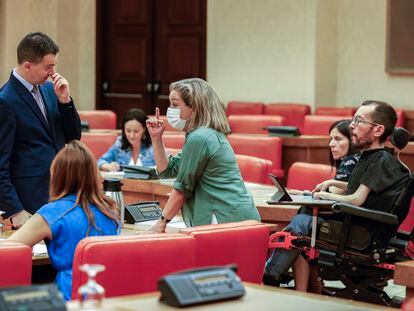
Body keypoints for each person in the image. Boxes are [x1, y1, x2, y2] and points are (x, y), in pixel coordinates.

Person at [264, 100, 410, 292]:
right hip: (358, 226)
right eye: (353, 119)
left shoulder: (380, 160)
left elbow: (356, 199)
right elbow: (356, 188)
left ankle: (271, 274)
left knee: (303, 220)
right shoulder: (372, 156)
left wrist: (324, 196)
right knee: (305, 216)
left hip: (361, 234)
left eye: (359, 120)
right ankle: (276, 272)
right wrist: (332, 184)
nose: (351, 125)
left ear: (378, 130)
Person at [7, 140, 120, 300]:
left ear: (57, 175)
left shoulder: (53, 212)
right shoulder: (110, 210)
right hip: (108, 294)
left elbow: (8, 249)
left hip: (70, 294)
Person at [146, 78, 260, 232]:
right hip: (235, 218)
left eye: (174, 104)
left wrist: (161, 223)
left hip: (225, 218)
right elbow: (167, 171)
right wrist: (156, 139)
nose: (170, 110)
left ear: (193, 107)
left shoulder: (200, 137)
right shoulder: (202, 134)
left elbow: (182, 188)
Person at [0, 32, 81, 228]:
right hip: (29, 202)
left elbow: (73, 138)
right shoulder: (5, 100)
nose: (53, 72)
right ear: (28, 65)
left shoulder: (50, 89)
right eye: (48, 67)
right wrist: (15, 209)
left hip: (60, 193)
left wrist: (66, 103)